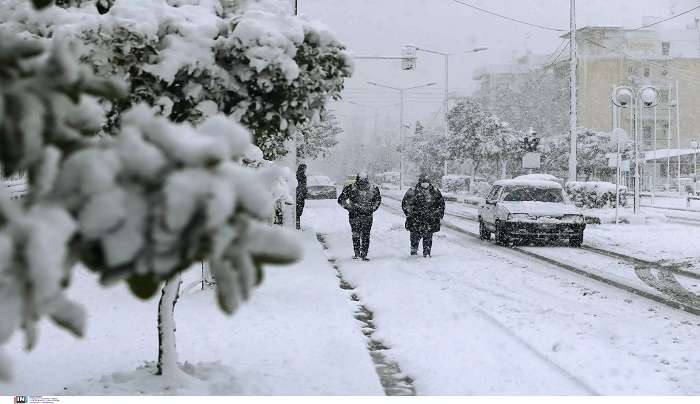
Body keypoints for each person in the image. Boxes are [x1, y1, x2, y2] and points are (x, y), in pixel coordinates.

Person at [337, 172, 382, 261]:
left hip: (367, 216)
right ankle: (357, 253)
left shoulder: (373, 188)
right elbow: (341, 200)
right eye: (361, 182)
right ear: (357, 180)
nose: (362, 184)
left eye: (364, 182)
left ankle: (364, 253)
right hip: (355, 216)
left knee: (365, 235)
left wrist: (372, 208)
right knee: (356, 234)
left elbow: (378, 200)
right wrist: (350, 208)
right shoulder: (350, 188)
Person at [402, 174, 445, 257]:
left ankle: (427, 253)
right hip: (415, 220)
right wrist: (410, 214)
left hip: (430, 220)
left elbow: (441, 205)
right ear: (420, 182)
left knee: (428, 237)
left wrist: (437, 215)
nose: (425, 183)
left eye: (426, 182)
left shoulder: (435, 191)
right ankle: (414, 251)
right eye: (423, 182)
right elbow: (405, 204)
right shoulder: (412, 191)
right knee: (414, 237)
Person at [295, 163, 307, 229]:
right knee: (298, 212)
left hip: (299, 195)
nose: (305, 170)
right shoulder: (301, 176)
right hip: (300, 196)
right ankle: (297, 226)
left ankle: (297, 225)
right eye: (305, 168)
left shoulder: (298, 175)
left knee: (298, 212)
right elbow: (302, 186)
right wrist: (303, 193)